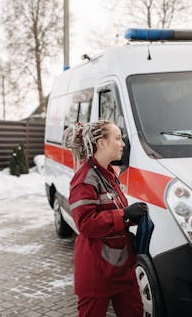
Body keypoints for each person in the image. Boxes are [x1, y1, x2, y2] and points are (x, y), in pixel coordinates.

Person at [63, 120, 146, 317]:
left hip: (120, 267)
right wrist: (124, 215)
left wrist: (131, 220)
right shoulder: (84, 180)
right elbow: (86, 223)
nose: (123, 143)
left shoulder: (108, 173)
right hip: (96, 271)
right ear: (101, 143)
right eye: (117, 138)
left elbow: (112, 209)